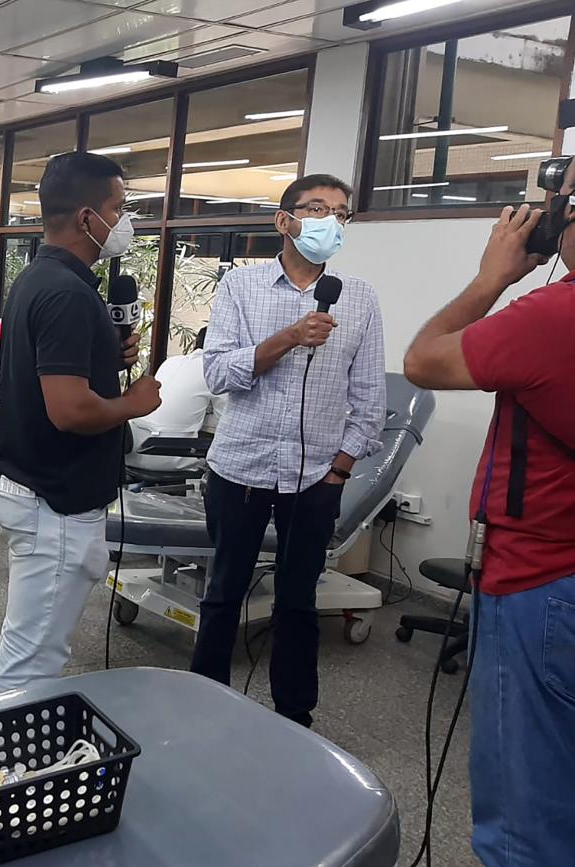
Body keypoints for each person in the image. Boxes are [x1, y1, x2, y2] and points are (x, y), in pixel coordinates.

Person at [403, 163, 575, 866]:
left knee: (527, 818)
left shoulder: (555, 316)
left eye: (561, 201)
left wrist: (489, 280)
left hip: (542, 582)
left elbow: (422, 360)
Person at [190, 174, 385, 728]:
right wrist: (288, 338)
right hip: (239, 468)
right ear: (285, 221)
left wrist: (340, 468)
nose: (331, 222)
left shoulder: (359, 297)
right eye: (318, 209)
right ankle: (202, 705)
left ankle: (294, 716)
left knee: (298, 601)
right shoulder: (241, 287)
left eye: (341, 214)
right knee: (224, 592)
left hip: (316, 476)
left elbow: (369, 397)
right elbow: (218, 372)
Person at [0, 152, 163, 694]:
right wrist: (134, 402)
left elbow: (53, 374)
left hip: (37, 489)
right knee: (31, 663)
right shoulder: (67, 293)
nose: (125, 220)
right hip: (55, 503)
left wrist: (104, 355)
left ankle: (9, 742)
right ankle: (3, 750)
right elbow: (69, 410)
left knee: (30, 648)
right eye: (119, 208)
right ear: (88, 218)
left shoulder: (41, 278)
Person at [127, 327, 226, 472]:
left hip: (132, 448)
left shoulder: (171, 361)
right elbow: (223, 421)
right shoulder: (214, 369)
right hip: (167, 455)